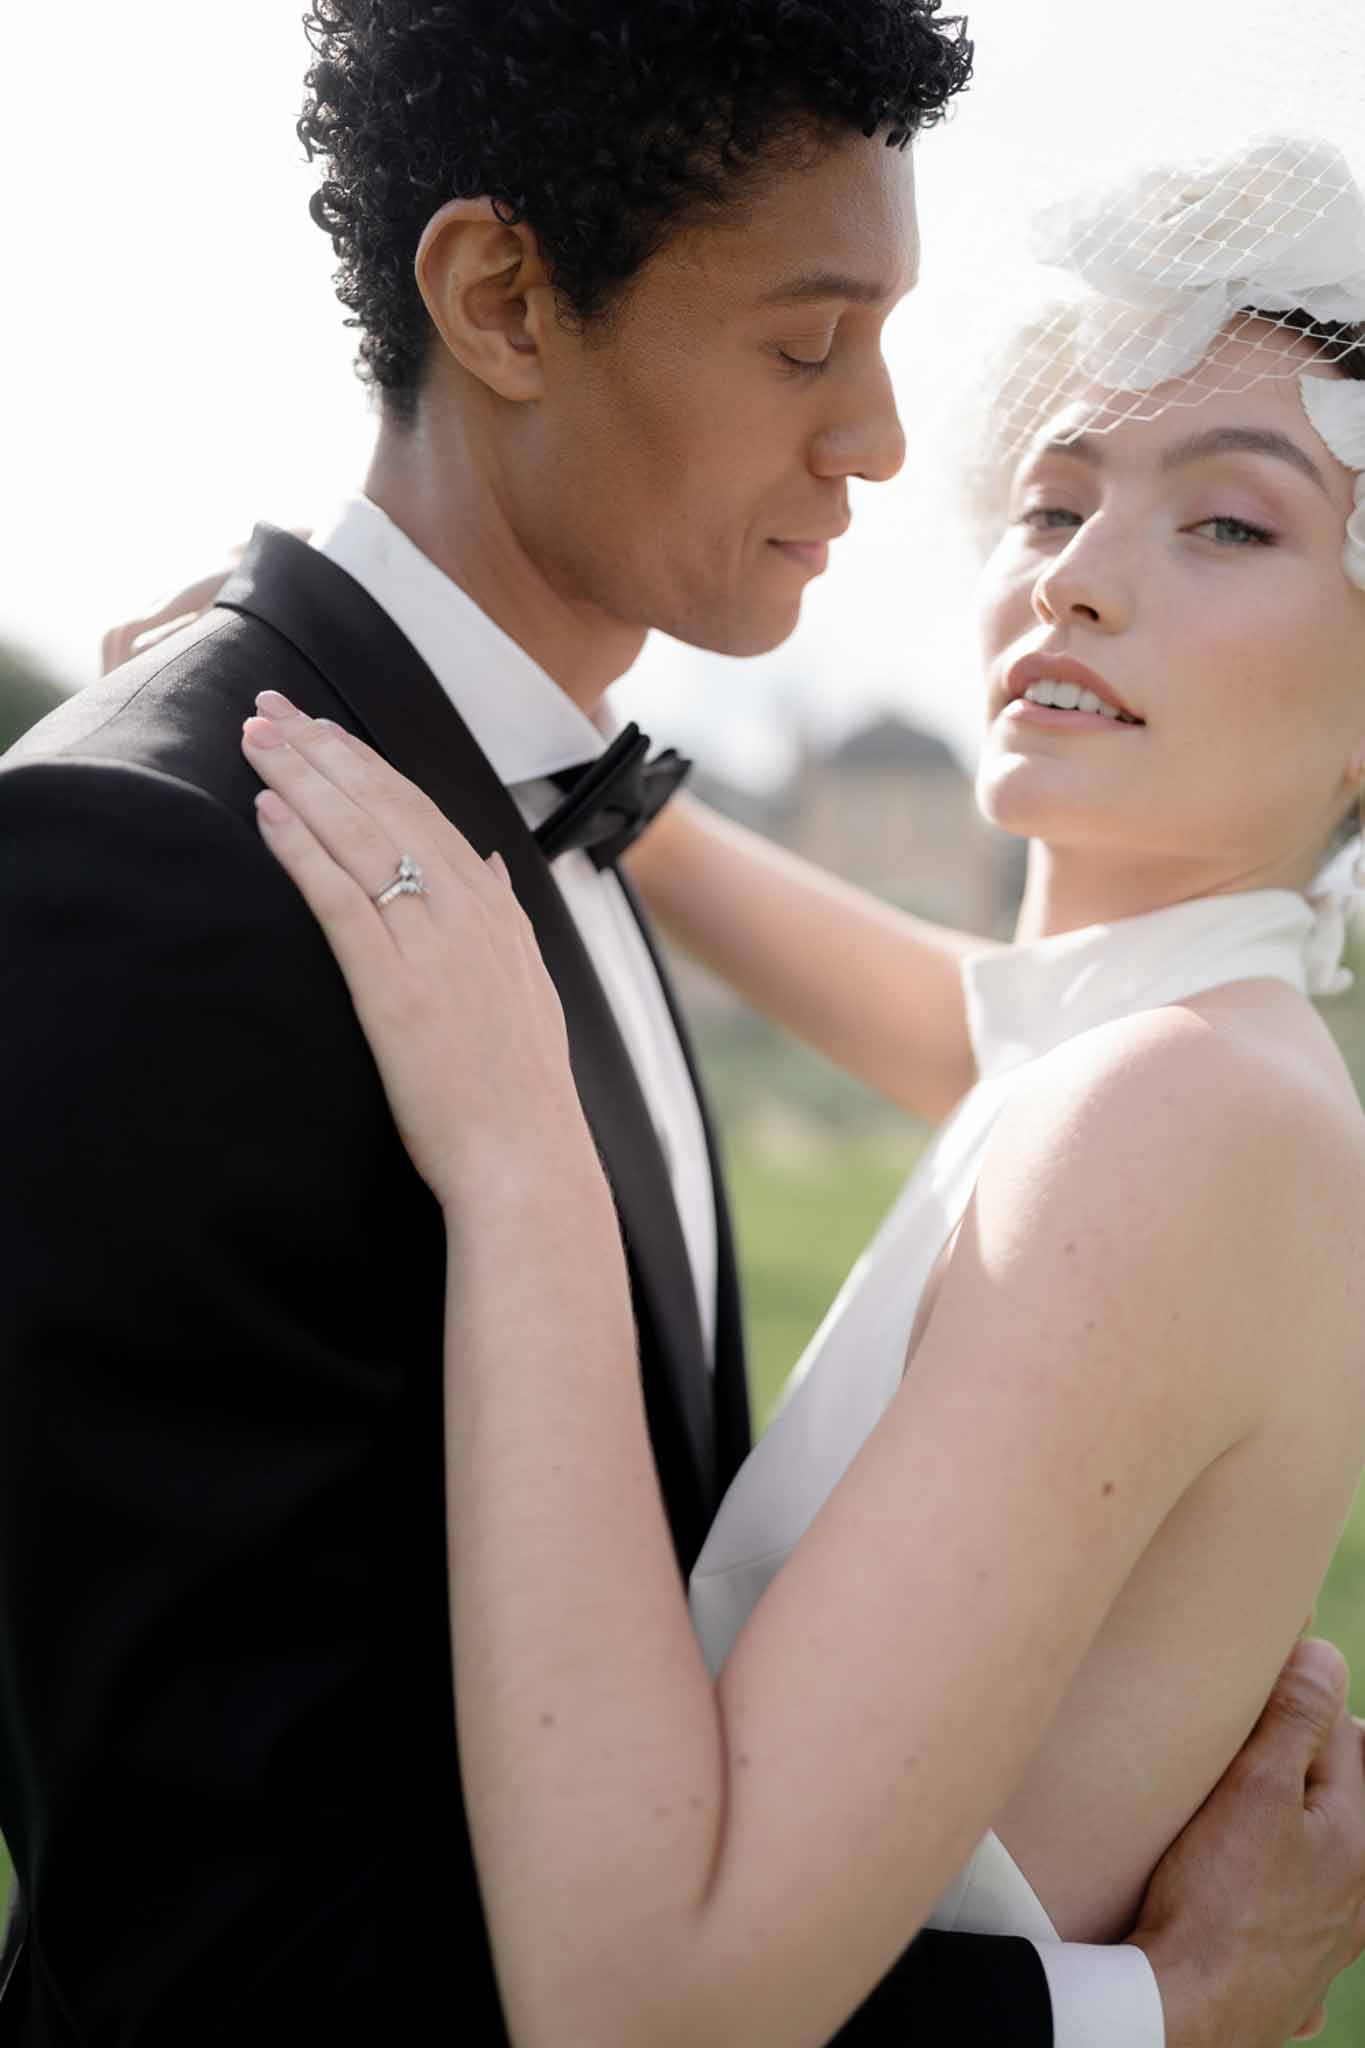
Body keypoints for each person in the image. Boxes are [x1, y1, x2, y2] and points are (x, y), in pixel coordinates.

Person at [3, 0, 1362, 2031]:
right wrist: (584, 795)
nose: (1066, 572)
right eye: (1055, 493)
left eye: (1230, 520)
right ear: (497, 300)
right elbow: (976, 1047)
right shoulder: (179, 876)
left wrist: (521, 1158)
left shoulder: (1176, 1115)